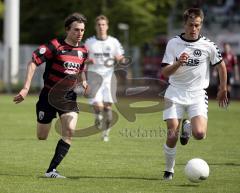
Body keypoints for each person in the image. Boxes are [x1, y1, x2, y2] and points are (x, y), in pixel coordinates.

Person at [13, 13, 88, 178]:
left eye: (82, 30)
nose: (80, 33)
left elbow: (81, 69)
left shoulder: (83, 50)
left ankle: (51, 170)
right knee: (42, 135)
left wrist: (83, 81)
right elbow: (33, 61)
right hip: (48, 96)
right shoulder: (55, 46)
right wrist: (26, 88)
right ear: (68, 30)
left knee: (69, 131)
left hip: (68, 97)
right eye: (76, 30)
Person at [160, 8, 228, 180]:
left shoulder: (208, 45)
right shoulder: (173, 44)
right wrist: (177, 63)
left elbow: (221, 66)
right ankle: (169, 170)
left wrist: (223, 88)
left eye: (197, 25)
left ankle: (188, 127)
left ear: (201, 25)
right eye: (190, 25)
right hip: (174, 92)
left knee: (199, 134)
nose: (193, 28)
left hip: (197, 95)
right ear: (184, 24)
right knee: (172, 133)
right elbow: (165, 73)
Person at [84, 15, 124, 142]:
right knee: (98, 106)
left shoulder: (113, 42)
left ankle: (105, 133)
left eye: (103, 24)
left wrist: (120, 59)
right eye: (99, 25)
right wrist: (88, 60)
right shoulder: (89, 42)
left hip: (108, 79)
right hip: (94, 78)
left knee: (108, 108)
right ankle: (97, 116)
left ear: (107, 26)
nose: (101, 27)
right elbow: (81, 59)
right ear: (95, 27)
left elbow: (121, 58)